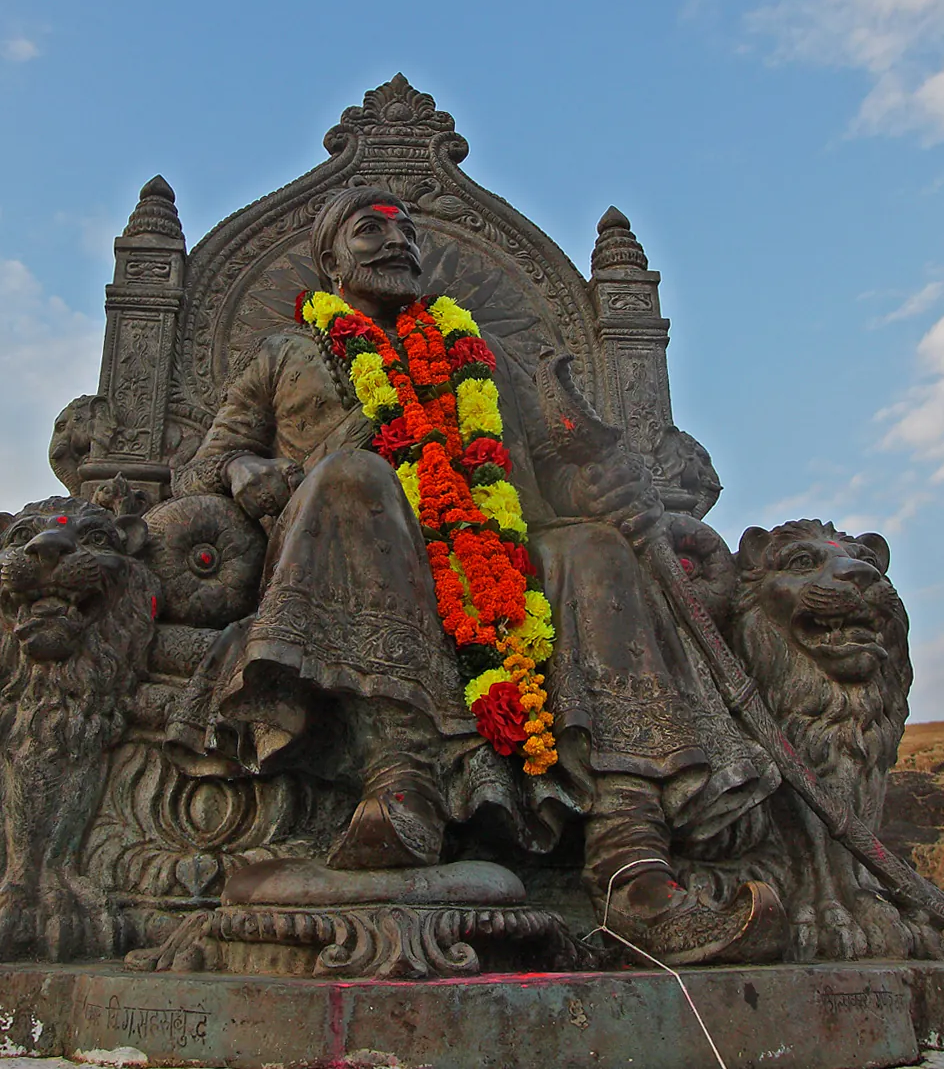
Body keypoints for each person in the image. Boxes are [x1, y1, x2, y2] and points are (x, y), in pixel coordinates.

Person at [167, 186, 784, 963]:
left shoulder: (479, 352)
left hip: (494, 558)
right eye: (370, 231)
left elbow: (558, 477)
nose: (397, 243)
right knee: (356, 476)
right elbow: (201, 470)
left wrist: (607, 490)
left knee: (593, 549)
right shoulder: (284, 353)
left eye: (407, 231)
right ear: (330, 261)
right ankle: (401, 779)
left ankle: (633, 864)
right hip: (350, 552)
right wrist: (244, 471)